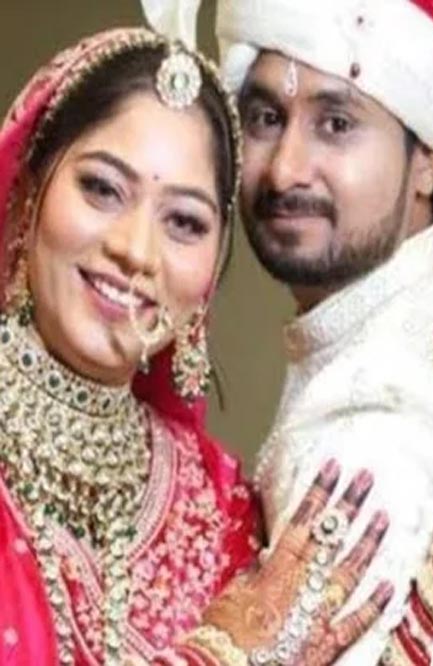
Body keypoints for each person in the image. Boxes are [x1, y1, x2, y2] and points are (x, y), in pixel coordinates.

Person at [0, 27, 396, 665]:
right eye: (102, 188)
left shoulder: (218, 504)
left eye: (184, 221)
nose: (135, 250)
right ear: (28, 193)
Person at [210, 1, 433, 663]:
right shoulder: (402, 311)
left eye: (336, 124)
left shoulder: (374, 419)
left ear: (426, 161)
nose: (285, 170)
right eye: (265, 118)